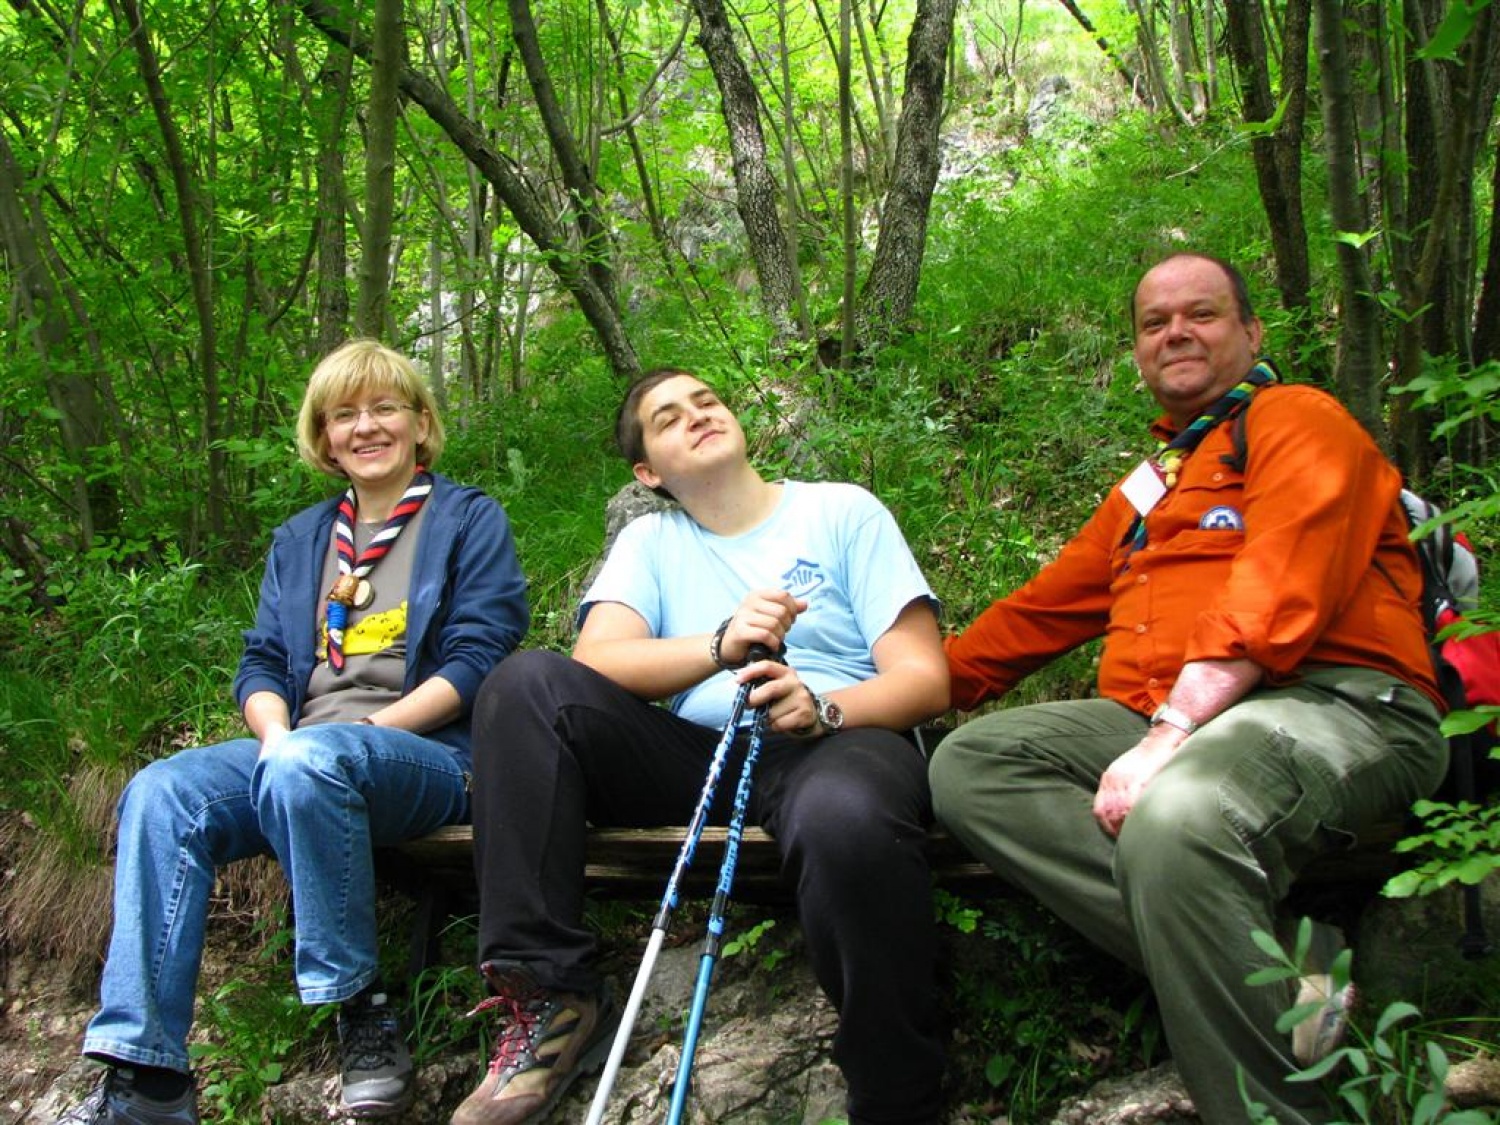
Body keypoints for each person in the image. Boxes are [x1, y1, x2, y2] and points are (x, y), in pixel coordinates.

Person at [930, 252, 1448, 1125]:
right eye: (1153, 322)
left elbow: (1279, 584)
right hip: (1172, 716)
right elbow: (1036, 612)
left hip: (1335, 701)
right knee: (972, 763)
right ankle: (1294, 969)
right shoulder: (1152, 482)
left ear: (1252, 332)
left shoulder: (1297, 418)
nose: (1175, 331)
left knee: (1176, 820)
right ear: (1136, 350)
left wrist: (1167, 737)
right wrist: (879, 692)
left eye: (1201, 314)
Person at [451, 368, 950, 1125]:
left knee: (845, 817)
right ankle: (550, 997)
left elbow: (924, 677)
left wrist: (822, 708)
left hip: (835, 744)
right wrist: (719, 643)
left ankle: (897, 1096)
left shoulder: (841, 510)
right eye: (668, 417)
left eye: (707, 401)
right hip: (698, 756)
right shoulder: (651, 539)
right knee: (526, 686)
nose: (698, 416)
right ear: (648, 471)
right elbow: (599, 659)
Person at [61, 340, 530, 1124]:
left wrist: (356, 739)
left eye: (384, 407)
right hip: (303, 752)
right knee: (162, 792)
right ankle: (148, 1079)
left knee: (314, 763)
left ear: (420, 423)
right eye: (343, 414)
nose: (365, 426)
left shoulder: (466, 517)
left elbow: (481, 656)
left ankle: (358, 1009)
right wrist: (277, 736)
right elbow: (263, 665)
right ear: (323, 437)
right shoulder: (301, 539)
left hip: (428, 756)